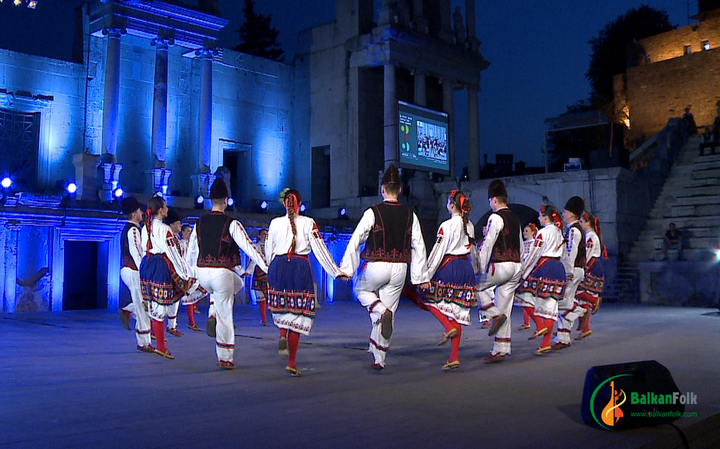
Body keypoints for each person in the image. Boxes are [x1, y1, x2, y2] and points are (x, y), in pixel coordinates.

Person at [339, 164, 430, 371]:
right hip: (400, 269)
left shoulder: (373, 212)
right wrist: (420, 278)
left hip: (376, 265)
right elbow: (419, 246)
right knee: (391, 308)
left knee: (361, 290)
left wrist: (347, 269)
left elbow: (356, 239)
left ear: (382, 189)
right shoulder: (410, 214)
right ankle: (379, 359)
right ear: (399, 190)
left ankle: (379, 311)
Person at [186, 178, 268, 370]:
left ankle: (212, 309)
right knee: (226, 315)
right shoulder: (231, 223)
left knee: (237, 283)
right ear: (226, 200)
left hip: (203, 272)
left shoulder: (199, 223)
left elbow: (191, 251)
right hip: (220, 273)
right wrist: (266, 266)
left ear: (210, 199)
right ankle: (225, 356)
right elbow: (249, 247)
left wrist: (191, 275)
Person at [266, 188, 345, 377]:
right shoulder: (309, 223)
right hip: (299, 267)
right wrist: (336, 272)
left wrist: (271, 270)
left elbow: (269, 251)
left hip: (279, 265)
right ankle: (291, 362)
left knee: (282, 306)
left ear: (284, 204)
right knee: (299, 313)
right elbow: (320, 249)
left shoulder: (274, 223)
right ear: (299, 204)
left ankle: (282, 335)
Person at [421, 190, 478, 370]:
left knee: (428, 298)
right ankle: (453, 357)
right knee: (456, 312)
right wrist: (477, 271)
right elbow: (474, 252)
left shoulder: (446, 225)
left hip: (449, 267)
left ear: (451, 205)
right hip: (465, 269)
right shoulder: (470, 225)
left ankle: (447, 326)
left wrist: (425, 275)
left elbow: (437, 252)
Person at [140, 196, 199, 360]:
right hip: (160, 265)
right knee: (161, 306)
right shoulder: (163, 228)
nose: (167, 209)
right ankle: (160, 346)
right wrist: (186, 274)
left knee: (153, 303)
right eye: (165, 206)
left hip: (147, 263)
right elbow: (173, 254)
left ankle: (157, 341)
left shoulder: (147, 226)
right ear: (160, 210)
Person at [475, 179, 523, 364]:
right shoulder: (515, 218)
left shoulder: (495, 217)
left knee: (478, 286)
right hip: (515, 266)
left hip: (501, 264)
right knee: (505, 305)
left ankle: (494, 315)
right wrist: (522, 268)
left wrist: (480, 266)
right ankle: (501, 348)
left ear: (494, 200)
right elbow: (521, 245)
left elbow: (487, 244)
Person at [518, 205, 567, 355]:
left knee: (525, 295)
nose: (538, 219)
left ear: (546, 218)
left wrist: (523, 272)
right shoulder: (559, 232)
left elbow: (534, 254)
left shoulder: (543, 233)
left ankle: (540, 326)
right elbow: (564, 253)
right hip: (558, 267)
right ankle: (545, 342)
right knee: (551, 306)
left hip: (544, 267)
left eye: (540, 216)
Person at [118, 196, 154, 353]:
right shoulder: (133, 230)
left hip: (130, 270)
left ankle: (127, 309)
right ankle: (144, 342)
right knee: (142, 308)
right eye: (139, 210)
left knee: (143, 305)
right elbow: (136, 253)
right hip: (133, 271)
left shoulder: (130, 229)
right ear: (134, 213)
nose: (142, 213)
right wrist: (144, 272)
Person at [552, 196, 586, 350]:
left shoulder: (574, 230)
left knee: (563, 302)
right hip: (576, 269)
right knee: (565, 302)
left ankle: (580, 310)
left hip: (574, 269)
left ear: (572, 214)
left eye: (565, 212)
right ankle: (563, 337)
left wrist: (568, 271)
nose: (563, 214)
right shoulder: (574, 229)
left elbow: (571, 252)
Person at [575, 212, 607, 340]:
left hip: (591, 266)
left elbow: (587, 254)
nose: (581, 224)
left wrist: (582, 268)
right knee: (581, 299)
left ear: (588, 223)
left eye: (582, 222)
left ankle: (594, 300)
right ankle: (585, 328)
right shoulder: (590, 236)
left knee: (577, 291)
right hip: (591, 265)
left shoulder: (591, 237)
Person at [514, 223, 539, 331]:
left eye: (527, 231)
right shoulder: (524, 244)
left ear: (533, 232)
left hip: (530, 272)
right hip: (523, 271)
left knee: (526, 297)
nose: (525, 233)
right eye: (524, 231)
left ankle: (539, 324)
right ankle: (527, 321)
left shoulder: (535, 244)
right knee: (523, 298)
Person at [247, 229, 269, 326]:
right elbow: (253, 261)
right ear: (259, 236)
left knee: (273, 296)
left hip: (270, 273)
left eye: (267, 234)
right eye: (263, 234)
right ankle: (263, 318)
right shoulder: (256, 247)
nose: (265, 236)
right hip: (259, 273)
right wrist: (248, 271)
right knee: (261, 297)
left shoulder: (272, 247)